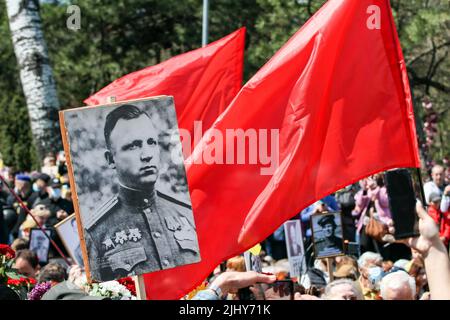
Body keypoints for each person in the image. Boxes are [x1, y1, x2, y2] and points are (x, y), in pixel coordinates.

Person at [84, 104, 199, 281]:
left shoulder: (186, 211)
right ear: (110, 159)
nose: (147, 155)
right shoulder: (96, 232)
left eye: (151, 142)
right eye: (133, 146)